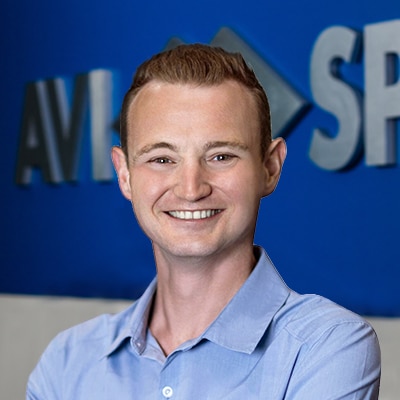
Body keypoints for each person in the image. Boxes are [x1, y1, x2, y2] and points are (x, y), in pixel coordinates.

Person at [27, 44, 381, 399]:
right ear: (124, 175)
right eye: (162, 159)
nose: (191, 188)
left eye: (221, 156)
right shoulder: (67, 361)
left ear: (270, 168)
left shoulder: (326, 347)